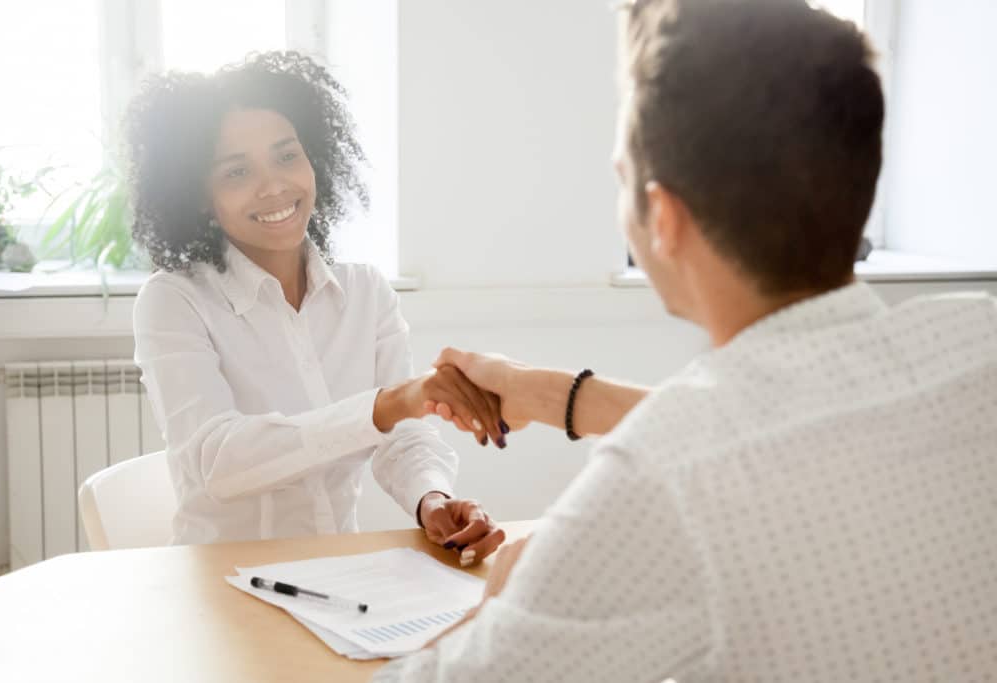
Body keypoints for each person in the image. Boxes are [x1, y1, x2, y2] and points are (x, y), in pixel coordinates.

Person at [374, 0, 997, 680]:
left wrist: (502, 604)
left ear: (663, 218)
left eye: (621, 180)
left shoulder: (661, 483)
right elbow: (791, 425)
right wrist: (550, 395)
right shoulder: (976, 338)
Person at [128, 52, 505, 565]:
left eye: (287, 157)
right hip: (220, 581)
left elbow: (405, 437)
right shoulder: (174, 301)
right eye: (237, 172)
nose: (273, 186)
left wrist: (432, 498)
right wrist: (382, 407)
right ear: (199, 196)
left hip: (337, 574)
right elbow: (218, 460)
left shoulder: (366, 292)